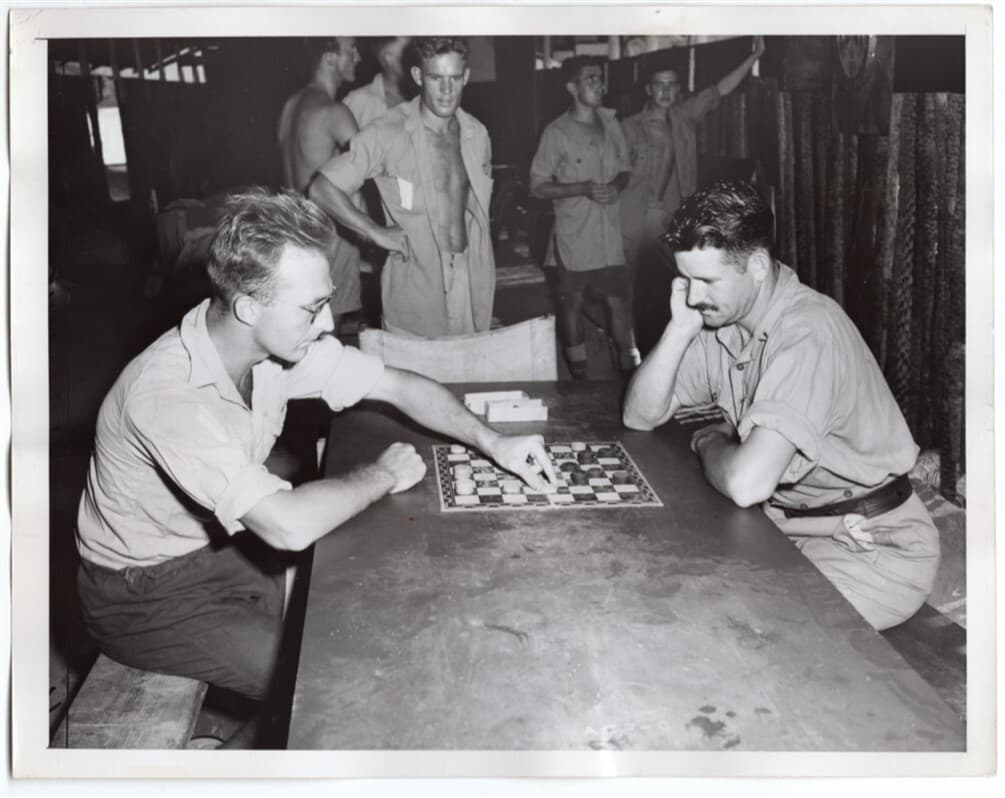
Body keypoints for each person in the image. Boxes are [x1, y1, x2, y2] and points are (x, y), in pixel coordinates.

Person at [75, 189, 558, 747]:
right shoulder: (165, 394)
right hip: (140, 594)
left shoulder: (271, 346)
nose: (328, 322)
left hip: (212, 548)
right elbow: (287, 523)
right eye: (311, 308)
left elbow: (396, 384)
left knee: (373, 610)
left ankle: (239, 730)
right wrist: (381, 474)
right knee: (331, 681)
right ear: (250, 308)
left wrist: (494, 441)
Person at [622, 180, 939, 631]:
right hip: (788, 527)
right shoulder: (721, 321)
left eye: (707, 280)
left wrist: (710, 443)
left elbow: (747, 483)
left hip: (872, 544)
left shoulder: (807, 332)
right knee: (670, 592)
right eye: (685, 279)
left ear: (755, 265)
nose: (694, 296)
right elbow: (640, 414)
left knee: (739, 638)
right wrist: (678, 330)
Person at [308, 37, 494, 338]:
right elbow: (321, 188)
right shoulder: (388, 132)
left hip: (469, 276)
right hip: (415, 277)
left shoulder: (477, 134)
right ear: (419, 76)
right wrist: (374, 231)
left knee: (467, 376)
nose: (446, 91)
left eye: (454, 78)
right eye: (436, 78)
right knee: (417, 378)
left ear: (466, 76)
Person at [620, 36, 765, 354]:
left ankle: (683, 351)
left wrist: (755, 55)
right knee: (631, 291)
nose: (666, 91)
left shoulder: (684, 117)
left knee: (684, 284)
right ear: (648, 89)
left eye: (671, 85)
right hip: (636, 224)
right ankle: (631, 352)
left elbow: (720, 90)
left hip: (676, 222)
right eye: (659, 85)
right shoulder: (629, 128)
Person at [529, 55, 635, 380]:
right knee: (571, 304)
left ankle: (629, 372)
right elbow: (537, 187)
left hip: (609, 235)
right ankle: (579, 375)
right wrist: (582, 188)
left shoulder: (612, 123)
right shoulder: (556, 132)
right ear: (572, 87)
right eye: (591, 80)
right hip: (574, 237)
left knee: (618, 304)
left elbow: (625, 169)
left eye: (600, 79)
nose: (600, 85)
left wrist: (617, 186)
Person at [277, 36, 363, 335]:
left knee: (301, 335)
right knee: (326, 339)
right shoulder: (335, 112)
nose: (358, 57)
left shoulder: (290, 106)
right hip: (328, 233)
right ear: (329, 57)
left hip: (293, 231)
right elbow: (373, 173)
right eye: (351, 50)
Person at [344, 36, 412, 130]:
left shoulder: (424, 97)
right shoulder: (358, 101)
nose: (416, 58)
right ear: (389, 59)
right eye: (408, 53)